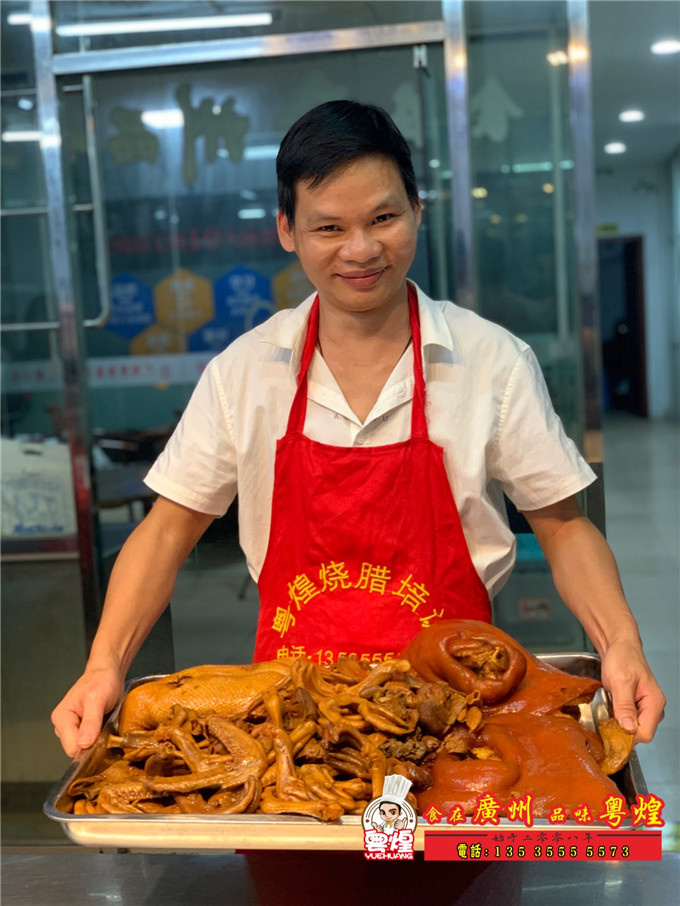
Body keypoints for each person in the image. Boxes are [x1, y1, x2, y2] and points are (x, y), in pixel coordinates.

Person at [52, 100, 665, 758]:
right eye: (329, 227)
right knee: (301, 863)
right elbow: (168, 529)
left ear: (417, 210)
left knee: (449, 861)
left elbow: (563, 525)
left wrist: (620, 644)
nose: (362, 249)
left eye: (383, 218)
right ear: (287, 230)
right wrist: (105, 665)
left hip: (454, 722)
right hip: (294, 731)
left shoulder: (492, 362)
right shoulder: (246, 373)